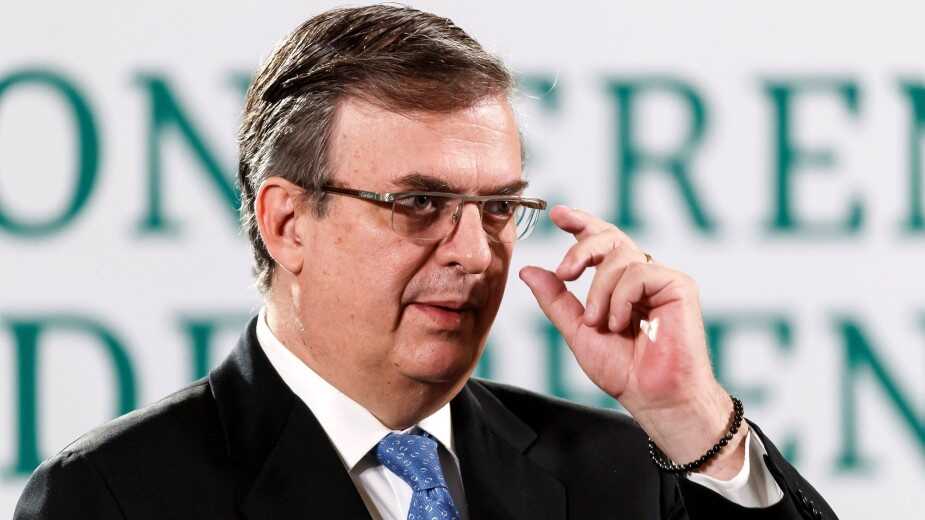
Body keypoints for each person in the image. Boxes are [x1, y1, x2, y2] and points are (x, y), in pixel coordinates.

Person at [14, 5, 837, 519]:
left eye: (498, 208)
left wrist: (690, 416)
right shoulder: (114, 496)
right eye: (417, 204)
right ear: (287, 223)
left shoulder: (620, 470)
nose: (474, 253)